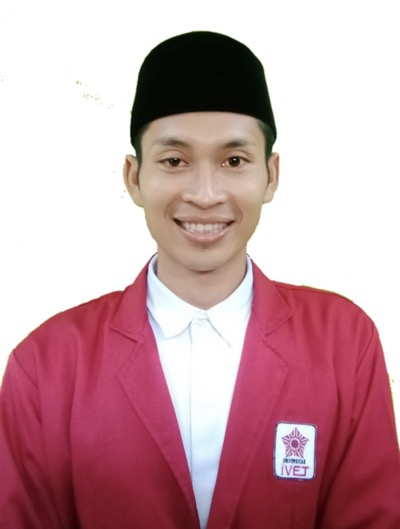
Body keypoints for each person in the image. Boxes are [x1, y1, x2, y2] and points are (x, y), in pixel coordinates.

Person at [0, 31, 399, 529]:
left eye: (234, 161)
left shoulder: (343, 343)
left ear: (271, 175)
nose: (205, 194)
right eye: (174, 161)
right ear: (133, 177)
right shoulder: (48, 365)